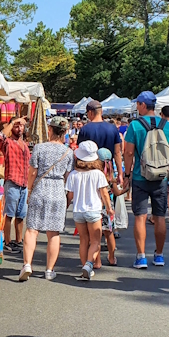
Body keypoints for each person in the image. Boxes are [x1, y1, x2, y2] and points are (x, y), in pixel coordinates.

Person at [123, 92, 169, 269]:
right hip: (160, 177)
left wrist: (127, 175)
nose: (137, 107)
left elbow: (129, 152)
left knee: (140, 216)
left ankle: (141, 257)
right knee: (160, 216)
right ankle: (159, 255)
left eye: (138, 104)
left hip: (141, 176)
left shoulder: (135, 126)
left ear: (143, 105)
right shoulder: (168, 126)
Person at [20, 117, 74, 281]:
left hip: (40, 188)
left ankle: (27, 264)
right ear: (64, 132)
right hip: (57, 190)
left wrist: (29, 189)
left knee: (32, 229)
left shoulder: (39, 148)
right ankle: (49, 270)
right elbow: (67, 175)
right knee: (53, 232)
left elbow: (33, 172)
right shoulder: (68, 152)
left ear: (50, 129)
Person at [65, 140, 114, 280]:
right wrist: (109, 208)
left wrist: (65, 208)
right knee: (95, 242)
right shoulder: (98, 174)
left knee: (83, 241)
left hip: (78, 211)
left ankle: (85, 267)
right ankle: (88, 264)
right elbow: (104, 193)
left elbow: (70, 195)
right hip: (94, 211)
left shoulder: (73, 174)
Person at [0, 117, 31, 254]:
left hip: (24, 183)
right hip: (13, 181)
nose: (20, 128)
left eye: (21, 126)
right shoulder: (8, 143)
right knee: (9, 214)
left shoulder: (25, 144)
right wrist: (11, 123)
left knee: (21, 215)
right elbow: (0, 137)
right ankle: (8, 241)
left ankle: (18, 240)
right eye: (17, 126)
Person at [77, 100, 125, 185]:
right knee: (108, 195)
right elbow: (117, 153)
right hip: (108, 171)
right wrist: (120, 174)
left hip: (90, 171)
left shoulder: (85, 129)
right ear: (101, 111)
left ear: (90, 112)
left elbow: (80, 153)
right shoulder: (113, 128)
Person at [99, 147, 127, 266]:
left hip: (95, 207)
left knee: (94, 236)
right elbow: (117, 193)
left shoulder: (95, 174)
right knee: (109, 234)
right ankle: (111, 256)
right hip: (107, 209)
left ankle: (96, 260)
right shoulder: (111, 177)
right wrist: (126, 188)